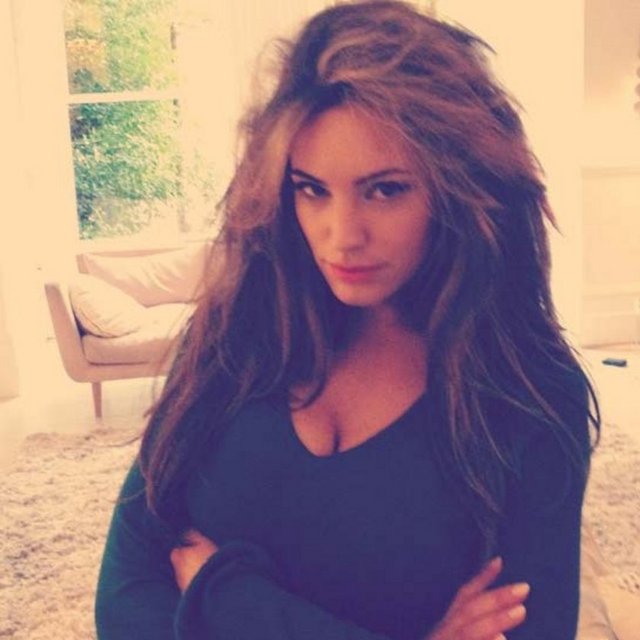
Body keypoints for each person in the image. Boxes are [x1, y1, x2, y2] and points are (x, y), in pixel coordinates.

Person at [95, 2, 600, 639]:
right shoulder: (231, 338)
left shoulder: (529, 393)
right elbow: (124, 602)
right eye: (311, 189)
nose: (341, 236)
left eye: (385, 190)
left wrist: (228, 600)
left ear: (458, 188)